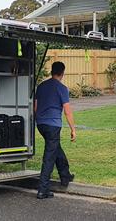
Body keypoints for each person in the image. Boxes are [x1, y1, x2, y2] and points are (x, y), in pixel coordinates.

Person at [33, 61, 76, 199]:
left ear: (52, 71)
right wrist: (73, 129)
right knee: (49, 157)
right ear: (62, 73)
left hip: (41, 124)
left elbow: (35, 107)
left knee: (55, 148)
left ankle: (65, 175)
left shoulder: (41, 86)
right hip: (53, 125)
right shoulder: (62, 88)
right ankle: (43, 189)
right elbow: (67, 111)